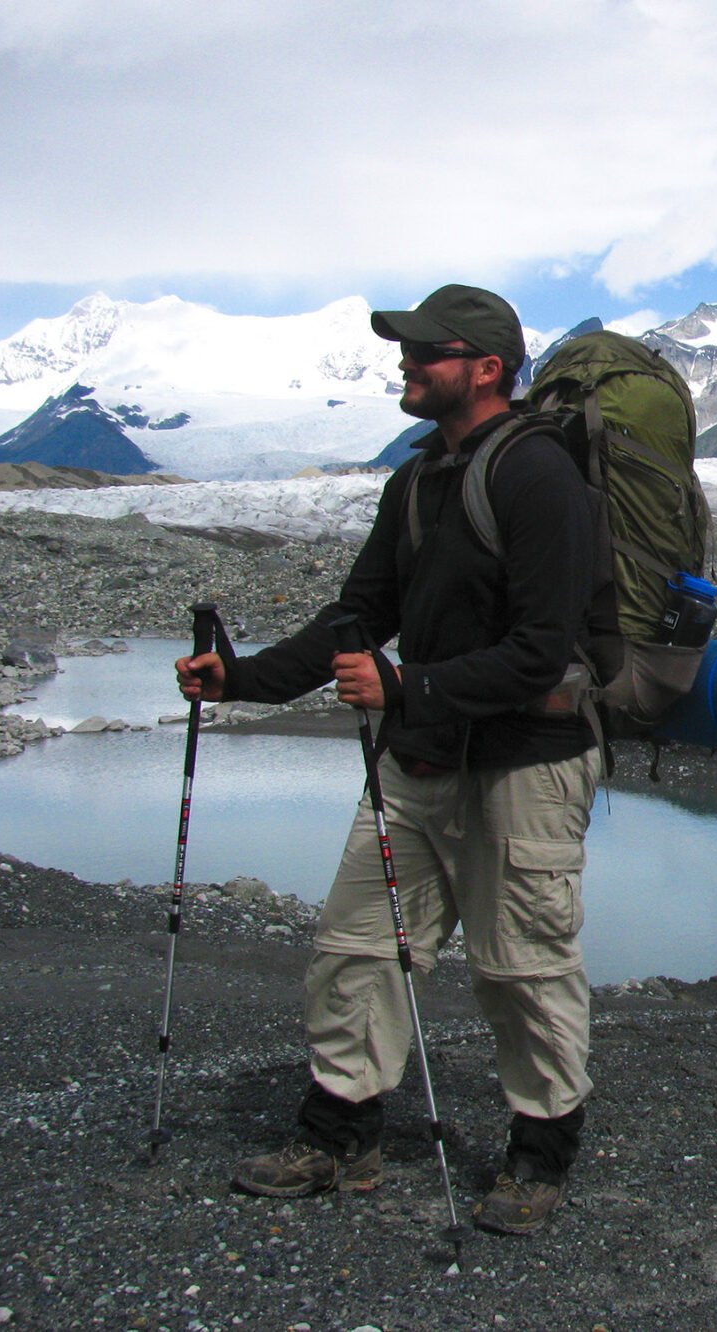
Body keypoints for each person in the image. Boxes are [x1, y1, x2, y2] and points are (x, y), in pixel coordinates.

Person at [175, 283, 602, 1235]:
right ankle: (341, 1136)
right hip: (421, 761)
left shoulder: (538, 477)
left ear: (486, 368)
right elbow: (357, 617)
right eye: (407, 353)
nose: (405, 366)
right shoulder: (417, 481)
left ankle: (540, 1154)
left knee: (522, 967)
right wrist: (238, 680)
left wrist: (407, 689)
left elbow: (543, 649)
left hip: (524, 763)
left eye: (425, 353)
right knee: (355, 950)